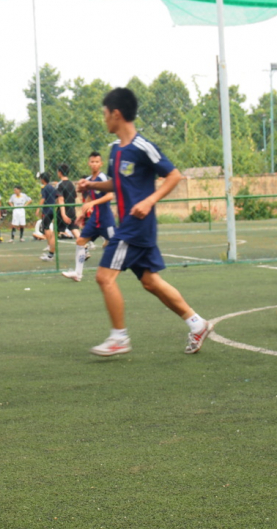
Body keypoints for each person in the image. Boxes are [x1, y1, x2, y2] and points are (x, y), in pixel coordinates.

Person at [77, 88, 212, 357]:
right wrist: (91, 184)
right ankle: (197, 323)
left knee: (104, 277)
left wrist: (150, 200)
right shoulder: (115, 150)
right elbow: (116, 183)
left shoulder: (142, 146)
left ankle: (119, 338)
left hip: (135, 225)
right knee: (150, 281)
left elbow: (174, 176)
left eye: (105, 114)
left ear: (117, 114)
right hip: (133, 225)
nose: (104, 120)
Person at [62, 152, 116, 282]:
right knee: (80, 242)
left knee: (115, 245)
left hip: (106, 219)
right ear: (89, 163)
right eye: (92, 161)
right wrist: (82, 215)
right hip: (94, 220)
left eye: (97, 162)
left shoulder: (102, 178)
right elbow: (90, 197)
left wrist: (92, 203)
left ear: (101, 164)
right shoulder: (90, 180)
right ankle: (77, 274)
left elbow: (110, 196)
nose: (94, 164)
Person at [36, 173, 58, 261]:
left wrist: (38, 209)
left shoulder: (44, 188)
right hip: (53, 209)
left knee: (46, 228)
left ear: (43, 179)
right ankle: (50, 245)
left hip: (46, 210)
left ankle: (49, 245)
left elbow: (43, 199)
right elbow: (56, 197)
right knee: (47, 227)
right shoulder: (53, 188)